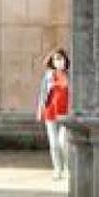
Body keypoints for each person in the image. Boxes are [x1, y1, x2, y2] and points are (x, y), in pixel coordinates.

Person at [37, 48, 71, 180]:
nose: (59, 62)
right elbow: (42, 93)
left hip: (65, 113)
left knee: (63, 142)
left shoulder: (70, 75)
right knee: (54, 144)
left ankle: (68, 168)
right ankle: (57, 169)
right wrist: (40, 110)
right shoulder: (48, 76)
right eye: (56, 59)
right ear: (52, 61)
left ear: (65, 60)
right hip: (50, 112)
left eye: (61, 59)